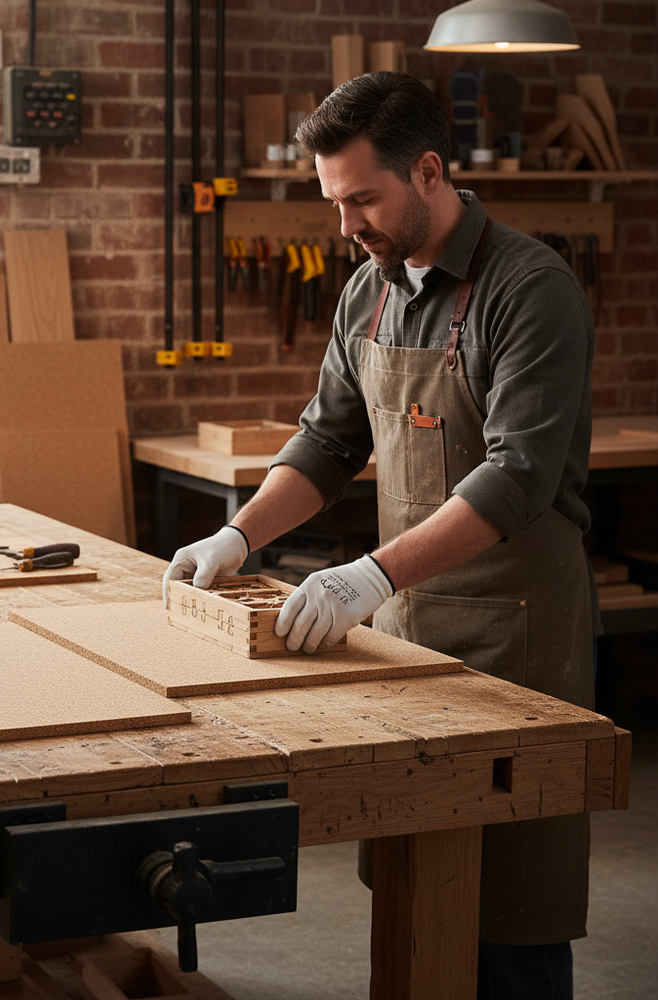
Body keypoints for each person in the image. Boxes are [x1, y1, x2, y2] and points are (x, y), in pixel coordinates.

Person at [162, 71, 598, 999]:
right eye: (335, 203)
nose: (348, 225)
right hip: (412, 635)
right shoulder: (368, 289)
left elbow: (517, 477)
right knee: (418, 888)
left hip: (519, 640)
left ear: (430, 171)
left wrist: (365, 574)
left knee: (511, 912)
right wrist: (238, 538)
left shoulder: (531, 288)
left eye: (363, 198)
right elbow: (328, 439)